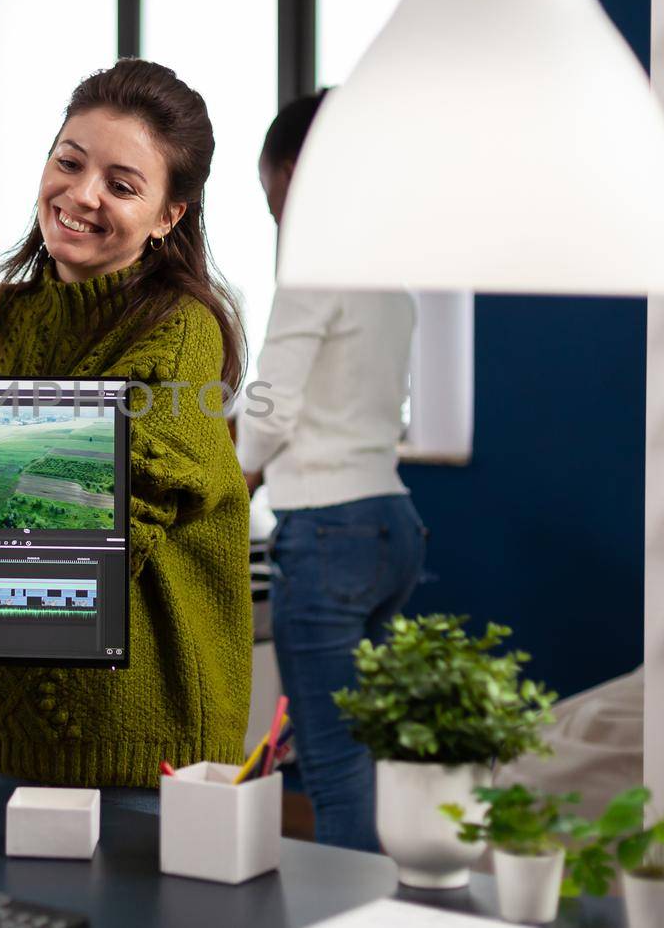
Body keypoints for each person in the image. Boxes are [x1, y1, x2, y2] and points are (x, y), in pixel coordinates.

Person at [0, 59, 252, 813]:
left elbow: (98, 523)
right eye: (69, 161)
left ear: (168, 216)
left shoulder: (179, 332)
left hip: (131, 728)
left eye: (122, 185)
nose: (82, 195)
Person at [236, 92, 426, 853]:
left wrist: (233, 476)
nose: (276, 214)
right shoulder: (392, 279)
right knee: (369, 753)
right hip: (393, 525)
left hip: (327, 529)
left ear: (297, 170)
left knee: (332, 766)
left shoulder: (313, 268)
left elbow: (275, 406)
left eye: (271, 193)